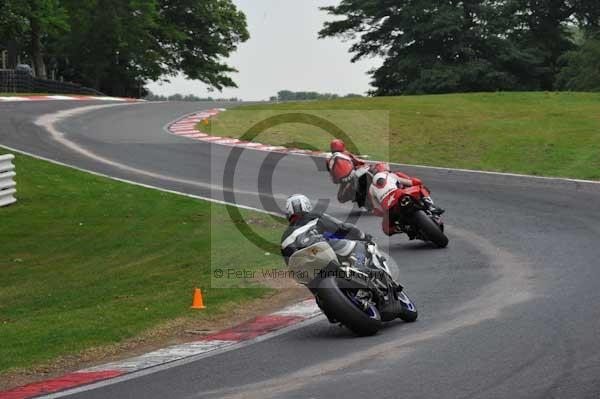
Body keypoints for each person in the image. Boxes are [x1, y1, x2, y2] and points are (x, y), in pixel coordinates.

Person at [281, 194, 372, 267]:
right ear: (307, 206)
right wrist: (362, 235)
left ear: (289, 213)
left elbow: (289, 264)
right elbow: (342, 228)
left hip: (304, 268)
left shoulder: (285, 237)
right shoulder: (314, 218)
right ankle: (360, 267)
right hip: (319, 251)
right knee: (359, 246)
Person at [369, 164, 444, 236]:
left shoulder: (370, 189)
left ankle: (402, 228)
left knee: (386, 229)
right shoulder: (391, 175)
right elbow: (414, 182)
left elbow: (376, 209)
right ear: (386, 169)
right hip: (401, 194)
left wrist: (384, 213)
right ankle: (431, 206)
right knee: (420, 187)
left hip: (389, 209)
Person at [326, 139, 370, 206]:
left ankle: (355, 196)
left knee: (340, 198)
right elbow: (358, 161)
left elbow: (333, 178)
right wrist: (364, 164)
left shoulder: (328, 159)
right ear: (342, 146)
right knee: (367, 168)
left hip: (344, 181)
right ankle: (357, 195)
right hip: (353, 175)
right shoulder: (346, 153)